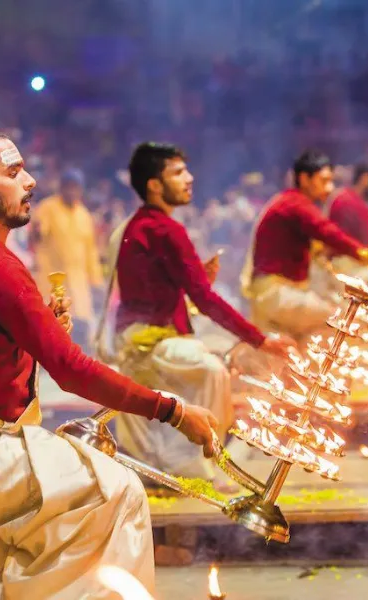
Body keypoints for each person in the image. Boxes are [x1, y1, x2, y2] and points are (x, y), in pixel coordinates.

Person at [0, 132, 217, 599]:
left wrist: (44, 333)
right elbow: (72, 370)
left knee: (92, 492)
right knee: (117, 492)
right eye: (14, 173)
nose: (31, 182)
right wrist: (172, 411)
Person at [102, 142, 295, 487]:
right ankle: (199, 461)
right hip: (148, 344)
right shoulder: (164, 230)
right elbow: (204, 300)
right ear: (155, 185)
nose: (189, 178)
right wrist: (262, 340)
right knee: (212, 370)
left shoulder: (139, 226)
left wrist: (198, 281)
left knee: (211, 361)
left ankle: (191, 456)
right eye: (178, 172)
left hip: (143, 338)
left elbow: (161, 292)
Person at [241, 150, 368, 341]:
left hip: (279, 292)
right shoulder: (295, 204)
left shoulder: (293, 202)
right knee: (338, 319)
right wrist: (367, 255)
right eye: (323, 180)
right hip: (276, 294)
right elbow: (328, 233)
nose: (329, 187)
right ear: (304, 178)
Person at [32, 168, 103, 348]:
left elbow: (90, 251)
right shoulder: (48, 208)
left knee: (80, 327)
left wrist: (96, 281)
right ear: (61, 188)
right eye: (68, 187)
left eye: (76, 187)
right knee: (52, 326)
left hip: (79, 284)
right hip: (52, 280)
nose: (72, 192)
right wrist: (36, 231)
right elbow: (38, 235)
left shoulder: (84, 215)